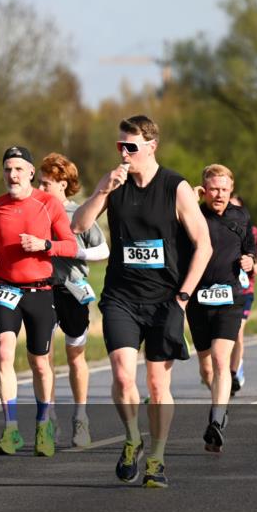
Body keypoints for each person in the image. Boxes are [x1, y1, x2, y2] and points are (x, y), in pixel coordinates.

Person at [73, 115, 211, 488]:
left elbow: (204, 245)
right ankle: (132, 438)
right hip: (121, 295)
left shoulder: (175, 187)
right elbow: (78, 226)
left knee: (155, 384)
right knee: (121, 373)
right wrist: (102, 190)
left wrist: (183, 297)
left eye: (130, 147)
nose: (124, 153)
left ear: (151, 147)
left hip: (165, 298)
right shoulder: (114, 184)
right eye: (120, 146)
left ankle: (157, 458)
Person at [0, 146, 78, 456]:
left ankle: (43, 425)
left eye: (19, 169)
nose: (13, 175)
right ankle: (10, 431)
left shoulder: (48, 204)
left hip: (39, 290)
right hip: (5, 288)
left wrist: (43, 245)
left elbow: (71, 247)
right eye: (8, 169)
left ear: (31, 173)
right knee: (4, 351)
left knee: (39, 363)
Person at [38, 153, 110, 448]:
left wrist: (74, 252)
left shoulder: (78, 214)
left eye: (46, 183)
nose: (40, 188)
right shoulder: (32, 211)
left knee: (74, 356)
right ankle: (49, 417)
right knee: (43, 357)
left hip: (72, 290)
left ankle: (81, 417)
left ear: (62, 183)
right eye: (39, 182)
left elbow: (103, 250)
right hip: (41, 289)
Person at [187, 165, 257, 453]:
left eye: (225, 190)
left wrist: (250, 260)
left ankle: (216, 420)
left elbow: (250, 248)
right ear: (204, 189)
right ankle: (219, 405)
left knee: (220, 359)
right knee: (206, 367)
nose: (219, 195)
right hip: (198, 299)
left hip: (230, 297)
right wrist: (190, 199)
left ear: (231, 190)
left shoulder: (240, 217)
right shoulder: (192, 214)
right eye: (214, 189)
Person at [228, 195, 257, 395]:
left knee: (238, 332)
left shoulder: (250, 230)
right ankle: (222, 372)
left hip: (245, 290)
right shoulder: (214, 226)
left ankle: (234, 372)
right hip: (222, 291)